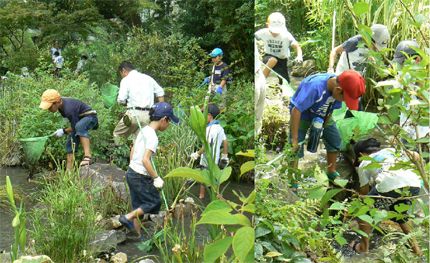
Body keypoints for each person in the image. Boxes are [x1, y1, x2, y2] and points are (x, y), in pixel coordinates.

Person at [289, 70, 366, 181]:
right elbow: (296, 110)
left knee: (334, 139)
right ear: (338, 90)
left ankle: (331, 171)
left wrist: (323, 127)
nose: (344, 102)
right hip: (302, 114)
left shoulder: (339, 89)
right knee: (295, 148)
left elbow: (331, 109)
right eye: (345, 99)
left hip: (323, 112)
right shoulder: (315, 87)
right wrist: (295, 140)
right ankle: (293, 179)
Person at [351, 138, 422, 255]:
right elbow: (416, 155)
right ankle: (417, 251)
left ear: (361, 154)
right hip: (413, 184)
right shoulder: (391, 150)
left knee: (363, 213)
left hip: (390, 185)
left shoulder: (364, 162)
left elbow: (364, 193)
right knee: (401, 216)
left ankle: (363, 248)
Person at [119, 102, 179, 239]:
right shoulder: (153, 137)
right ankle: (127, 218)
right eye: (169, 121)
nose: (168, 125)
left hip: (131, 172)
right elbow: (146, 160)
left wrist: (131, 164)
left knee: (138, 206)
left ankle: (136, 235)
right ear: (164, 119)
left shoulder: (144, 130)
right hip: (140, 176)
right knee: (153, 203)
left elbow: (133, 149)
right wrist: (156, 178)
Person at [39, 89, 98, 169]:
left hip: (90, 117)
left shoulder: (68, 109)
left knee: (79, 127)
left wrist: (64, 131)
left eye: (49, 107)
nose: (48, 109)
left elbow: (75, 127)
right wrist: (64, 131)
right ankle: (68, 172)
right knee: (70, 143)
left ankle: (88, 157)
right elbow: (74, 125)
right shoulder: (61, 106)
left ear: (56, 102)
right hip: (80, 120)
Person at [114, 61, 165, 145]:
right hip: (148, 115)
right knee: (140, 141)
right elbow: (160, 92)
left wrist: (125, 102)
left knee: (118, 134)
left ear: (123, 70)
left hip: (133, 115)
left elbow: (121, 99)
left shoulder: (125, 80)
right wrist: (161, 110)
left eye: (121, 74)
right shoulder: (148, 78)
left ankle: (118, 155)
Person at [190, 104, 229, 199]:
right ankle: (217, 197)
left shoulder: (209, 129)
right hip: (215, 158)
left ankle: (201, 196)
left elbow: (206, 146)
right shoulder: (219, 127)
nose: (203, 117)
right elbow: (225, 141)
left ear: (210, 115)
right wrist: (224, 155)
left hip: (207, 158)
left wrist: (197, 154)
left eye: (204, 114)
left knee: (203, 177)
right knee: (215, 178)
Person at [255, 12, 303, 84]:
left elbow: (296, 46)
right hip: (268, 56)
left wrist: (299, 56)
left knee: (285, 82)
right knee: (273, 60)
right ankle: (260, 82)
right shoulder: (262, 33)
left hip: (282, 60)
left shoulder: (286, 35)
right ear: (267, 25)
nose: (275, 33)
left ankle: (282, 90)